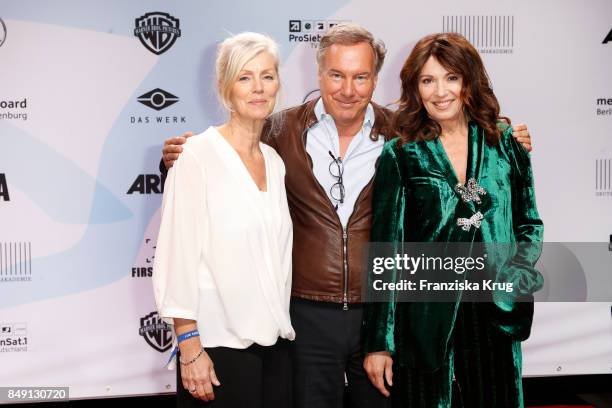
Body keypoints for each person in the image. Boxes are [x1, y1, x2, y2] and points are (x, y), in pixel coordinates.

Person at [160, 24, 534, 408]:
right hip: (304, 317)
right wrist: (176, 157)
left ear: (376, 79)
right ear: (318, 74)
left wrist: (508, 138)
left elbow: (467, 157)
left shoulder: (402, 136)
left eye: (361, 77)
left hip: (381, 316)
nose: (348, 89)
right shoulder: (279, 131)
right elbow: (224, 162)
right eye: (336, 75)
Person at [362, 32, 544, 407]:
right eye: (428, 80)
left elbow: (529, 223)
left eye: (451, 78)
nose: (439, 91)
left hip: (495, 312)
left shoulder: (505, 142)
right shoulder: (402, 154)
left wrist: (517, 272)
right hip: (426, 320)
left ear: (468, 82)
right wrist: (380, 342)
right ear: (415, 87)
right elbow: (387, 253)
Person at [152, 32, 294, 408]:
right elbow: (176, 256)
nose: (258, 88)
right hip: (216, 350)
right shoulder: (196, 155)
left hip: (274, 347)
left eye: (267, 75)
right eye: (245, 77)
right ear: (224, 86)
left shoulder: (275, 162)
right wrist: (189, 347)